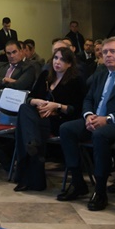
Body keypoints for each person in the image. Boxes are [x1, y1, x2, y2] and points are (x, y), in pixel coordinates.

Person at [56, 37, 115, 210]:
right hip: (96, 118)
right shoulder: (100, 74)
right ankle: (77, 182)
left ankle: (100, 189)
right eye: (105, 52)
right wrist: (89, 115)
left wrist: (108, 119)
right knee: (66, 129)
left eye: (112, 51)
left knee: (100, 135)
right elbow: (88, 98)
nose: (108, 55)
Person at [14, 46, 86, 192]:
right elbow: (30, 97)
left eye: (62, 59)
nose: (57, 62)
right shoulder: (45, 75)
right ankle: (32, 144)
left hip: (58, 121)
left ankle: (28, 177)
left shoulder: (75, 81)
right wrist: (36, 102)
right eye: (55, 58)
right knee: (25, 109)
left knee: (25, 129)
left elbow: (76, 110)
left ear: (70, 64)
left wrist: (56, 106)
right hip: (39, 119)